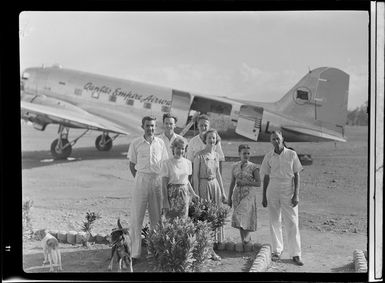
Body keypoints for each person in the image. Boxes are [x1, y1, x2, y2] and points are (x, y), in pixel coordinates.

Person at [127, 116, 169, 262]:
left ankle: (154, 251)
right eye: (147, 126)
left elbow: (164, 164)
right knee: (136, 217)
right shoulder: (136, 143)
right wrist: (140, 179)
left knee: (156, 218)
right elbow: (132, 164)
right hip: (141, 179)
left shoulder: (160, 143)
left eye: (152, 126)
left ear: (155, 127)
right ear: (142, 126)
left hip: (156, 180)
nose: (150, 129)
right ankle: (134, 253)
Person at [260, 130, 304, 266]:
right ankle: (277, 250)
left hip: (288, 189)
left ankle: (296, 254)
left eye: (278, 138)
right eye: (273, 139)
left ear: (282, 139)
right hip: (273, 189)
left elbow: (297, 175)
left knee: (292, 222)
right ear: (270, 141)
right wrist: (264, 196)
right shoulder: (268, 156)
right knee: (274, 221)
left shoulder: (291, 154)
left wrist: (296, 194)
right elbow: (266, 177)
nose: (276, 141)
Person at [193, 129, 228, 250]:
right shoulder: (199, 155)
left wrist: (222, 192)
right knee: (206, 214)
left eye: (213, 138)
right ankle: (206, 246)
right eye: (209, 138)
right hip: (204, 185)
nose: (212, 140)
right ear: (205, 140)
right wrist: (196, 194)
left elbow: (218, 174)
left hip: (215, 186)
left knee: (216, 213)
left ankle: (216, 242)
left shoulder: (216, 155)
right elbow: (195, 176)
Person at [228, 144, 261, 244]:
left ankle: (247, 240)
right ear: (239, 154)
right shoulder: (234, 166)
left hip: (248, 195)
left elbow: (258, 183)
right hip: (237, 195)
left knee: (244, 218)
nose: (246, 155)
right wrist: (229, 198)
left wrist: (245, 183)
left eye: (248, 153)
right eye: (244, 153)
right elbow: (232, 182)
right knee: (239, 219)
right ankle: (245, 242)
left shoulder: (253, 167)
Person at [160, 137, 199, 219]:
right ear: (173, 148)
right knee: (171, 222)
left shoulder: (187, 163)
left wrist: (193, 194)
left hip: (184, 196)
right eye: (178, 148)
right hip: (172, 196)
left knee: (183, 221)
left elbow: (186, 181)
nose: (180, 151)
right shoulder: (167, 163)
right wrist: (165, 202)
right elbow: (164, 185)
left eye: (182, 149)